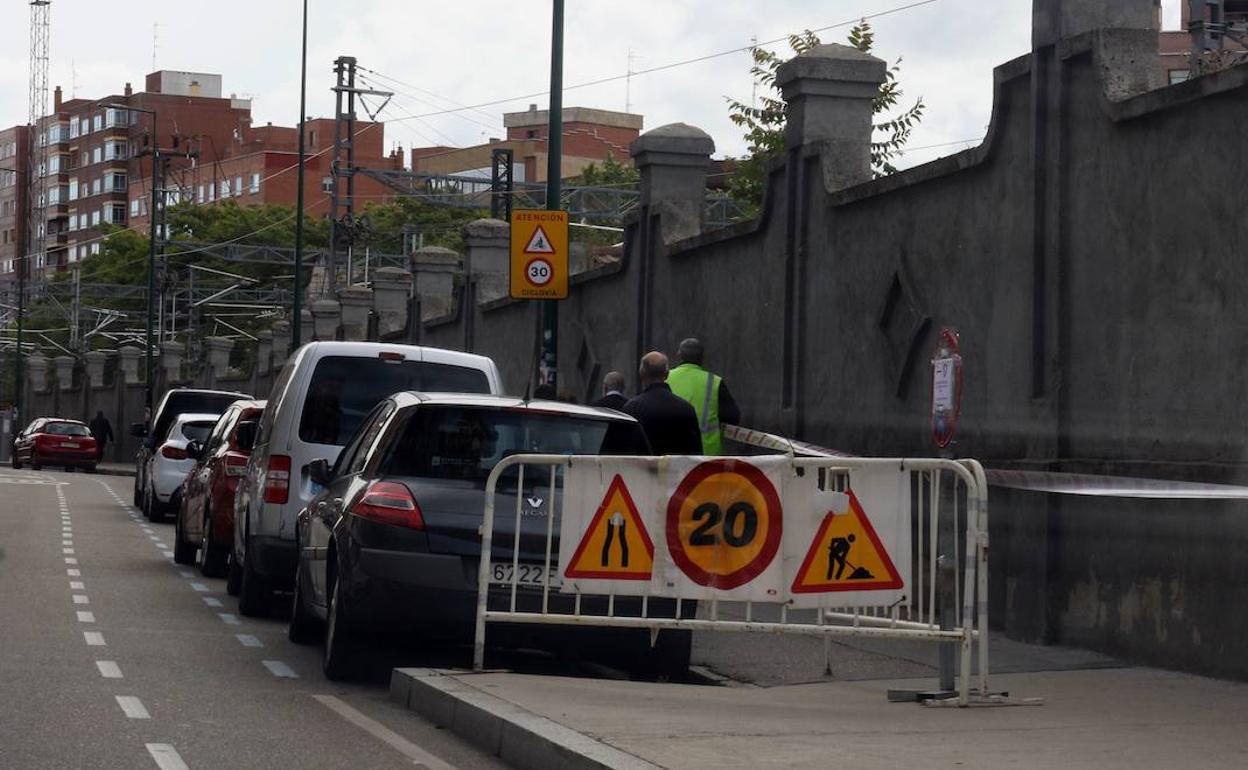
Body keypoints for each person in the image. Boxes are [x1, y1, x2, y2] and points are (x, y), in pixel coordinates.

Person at [667, 338, 742, 456]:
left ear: (679, 355)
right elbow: (733, 417)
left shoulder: (666, 377)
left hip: (671, 451)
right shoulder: (715, 382)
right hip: (706, 455)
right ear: (702, 358)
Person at [622, 352, 702, 456]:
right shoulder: (686, 408)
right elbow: (696, 453)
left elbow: (623, 451)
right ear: (667, 373)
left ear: (641, 373)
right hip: (677, 471)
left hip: (641, 471)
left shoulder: (631, 409)